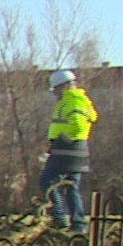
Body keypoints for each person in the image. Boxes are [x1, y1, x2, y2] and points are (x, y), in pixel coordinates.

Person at [39, 68, 98, 234]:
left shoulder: (73, 102)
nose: (55, 93)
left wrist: (61, 141)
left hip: (67, 150)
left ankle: (60, 217)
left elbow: (77, 126)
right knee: (70, 187)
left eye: (56, 89)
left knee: (47, 180)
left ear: (64, 86)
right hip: (74, 150)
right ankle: (78, 224)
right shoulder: (77, 100)